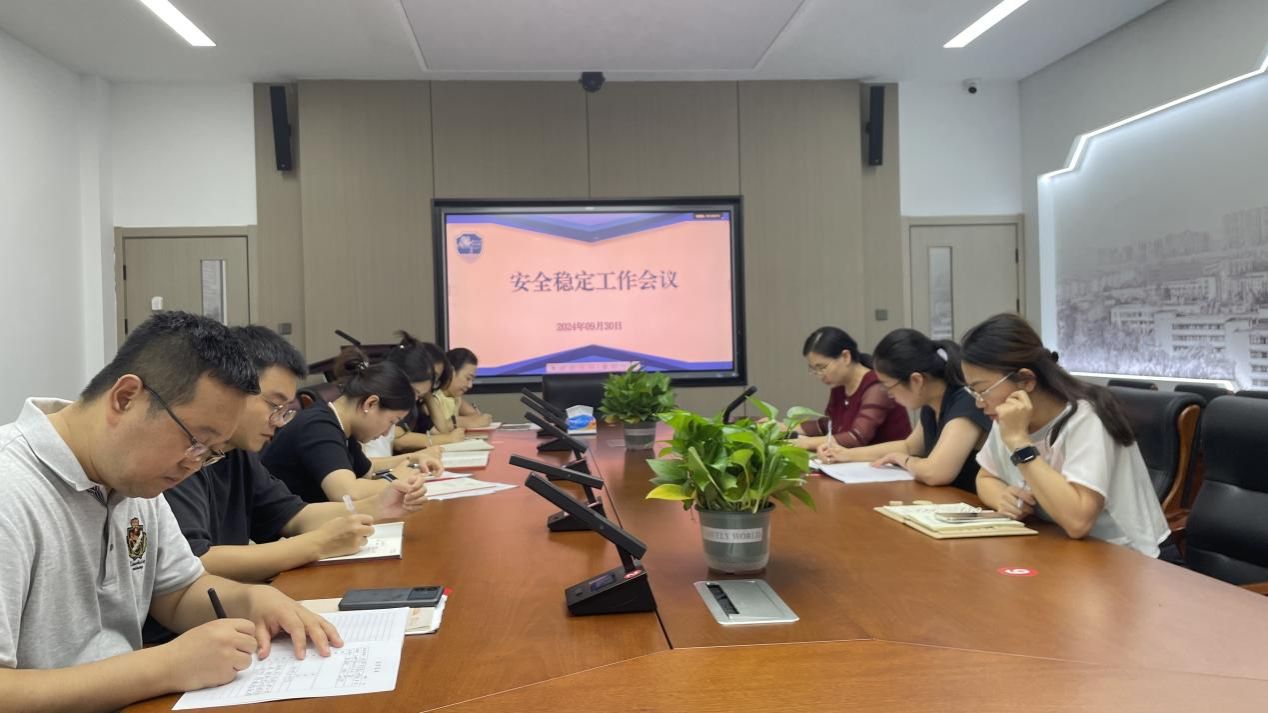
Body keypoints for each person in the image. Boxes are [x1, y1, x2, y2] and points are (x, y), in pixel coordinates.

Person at [0, 312, 341, 712]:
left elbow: (177, 594)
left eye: (211, 453)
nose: (193, 465)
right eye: (195, 441)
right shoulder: (12, 489)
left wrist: (253, 600)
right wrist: (166, 666)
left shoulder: (133, 482)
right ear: (126, 397)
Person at [161, 326, 429, 586]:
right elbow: (195, 559)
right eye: (274, 405)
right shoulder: (181, 457)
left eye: (284, 410)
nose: (279, 421)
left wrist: (378, 506)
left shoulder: (238, 453)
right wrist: (316, 544)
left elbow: (294, 515)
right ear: (231, 389)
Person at [960, 313, 1170, 556]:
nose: (979, 403)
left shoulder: (1087, 419)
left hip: (1130, 558)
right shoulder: (1008, 416)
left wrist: (1020, 443)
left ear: (1026, 380)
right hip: (1062, 548)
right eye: (973, 392)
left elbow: (1078, 521)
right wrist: (1001, 498)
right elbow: (985, 477)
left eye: (983, 390)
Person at [817, 329, 991, 492]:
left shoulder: (966, 401)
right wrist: (846, 454)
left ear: (916, 381)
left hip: (972, 504)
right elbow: (909, 446)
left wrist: (903, 460)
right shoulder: (932, 402)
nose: (889, 394)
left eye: (888, 386)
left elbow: (935, 472)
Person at [261, 348, 442, 505]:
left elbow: (368, 469)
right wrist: (395, 478)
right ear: (370, 403)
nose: (387, 432)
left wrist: (412, 459)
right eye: (391, 421)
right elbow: (347, 493)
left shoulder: (341, 425)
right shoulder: (318, 426)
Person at [795, 326, 911, 451]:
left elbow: (857, 437)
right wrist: (786, 428)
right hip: (854, 460)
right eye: (814, 369)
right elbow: (831, 425)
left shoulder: (877, 386)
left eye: (822, 367)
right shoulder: (839, 385)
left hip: (890, 461)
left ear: (846, 356)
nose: (819, 375)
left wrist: (804, 443)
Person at [417, 341, 466, 445]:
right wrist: (448, 439)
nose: (432, 383)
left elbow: (442, 431)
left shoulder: (418, 403)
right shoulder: (401, 398)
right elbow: (398, 440)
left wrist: (428, 395)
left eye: (435, 379)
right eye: (431, 376)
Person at [442, 347, 494, 429]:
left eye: (472, 380)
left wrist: (478, 419)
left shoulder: (456, 397)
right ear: (451, 372)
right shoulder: (433, 397)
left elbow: (474, 415)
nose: (470, 385)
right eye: (468, 378)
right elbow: (436, 426)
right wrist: (462, 422)